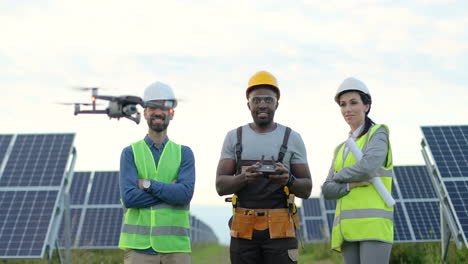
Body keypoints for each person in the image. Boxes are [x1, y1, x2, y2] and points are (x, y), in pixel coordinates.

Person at [216, 71, 312, 264]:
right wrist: (243, 178)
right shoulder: (234, 137)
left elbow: (307, 188)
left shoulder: (292, 138)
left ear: (276, 103)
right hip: (243, 233)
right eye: (256, 100)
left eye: (268, 100)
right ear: (248, 104)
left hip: (281, 232)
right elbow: (220, 186)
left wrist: (289, 180)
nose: (262, 105)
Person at [118, 81, 195, 264]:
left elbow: (185, 195)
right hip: (139, 248)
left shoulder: (184, 153)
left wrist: (147, 185)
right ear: (145, 112)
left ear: (172, 114)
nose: (159, 112)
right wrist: (171, 191)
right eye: (153, 107)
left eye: (164, 107)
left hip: (176, 247)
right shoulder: (130, 153)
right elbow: (130, 198)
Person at [322, 77, 394, 264]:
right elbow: (327, 190)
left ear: (367, 106)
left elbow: (368, 167)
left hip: (373, 228)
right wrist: (350, 184)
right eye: (343, 104)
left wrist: (339, 176)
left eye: (354, 103)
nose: (348, 109)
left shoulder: (377, 133)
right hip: (347, 230)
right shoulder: (340, 149)